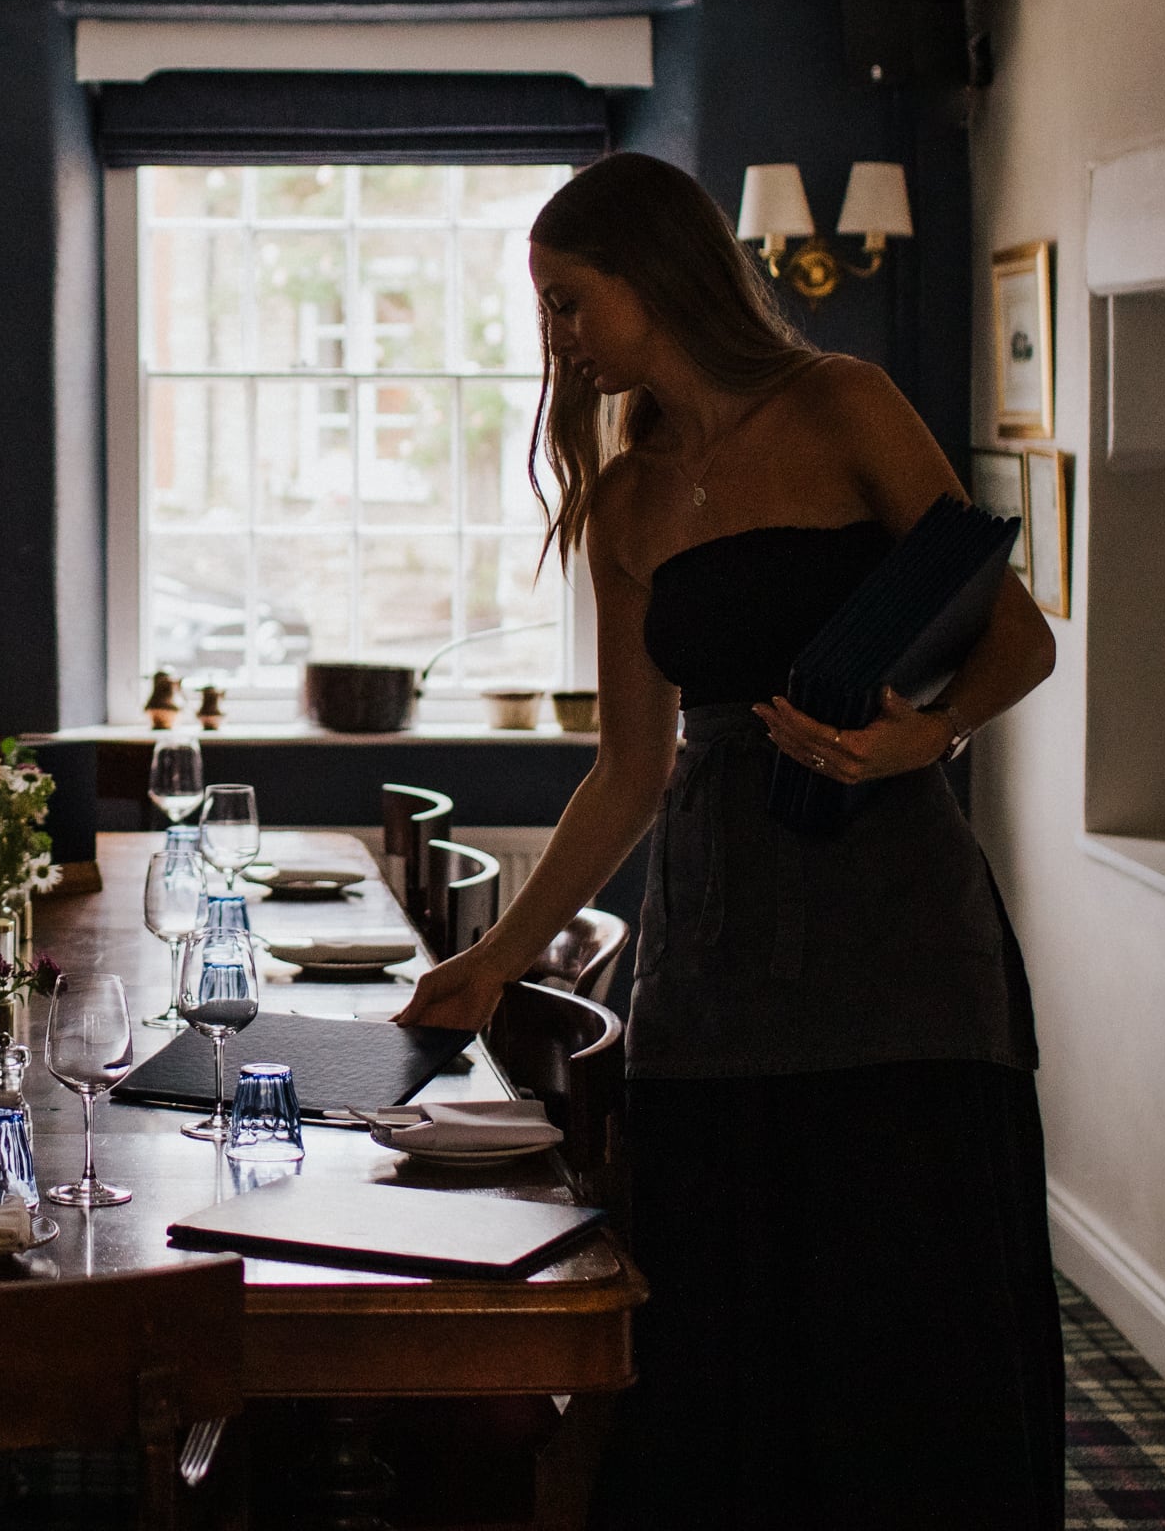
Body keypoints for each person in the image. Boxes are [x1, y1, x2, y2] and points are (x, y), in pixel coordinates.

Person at [400, 152, 1063, 1530]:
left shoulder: (842, 405)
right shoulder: (624, 503)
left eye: (571, 302)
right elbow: (628, 772)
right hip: (712, 952)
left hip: (898, 929)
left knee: (905, 1329)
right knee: (718, 1327)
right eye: (545, 309)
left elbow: (1016, 635)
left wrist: (930, 737)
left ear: (656, 276)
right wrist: (495, 960)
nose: (556, 339)